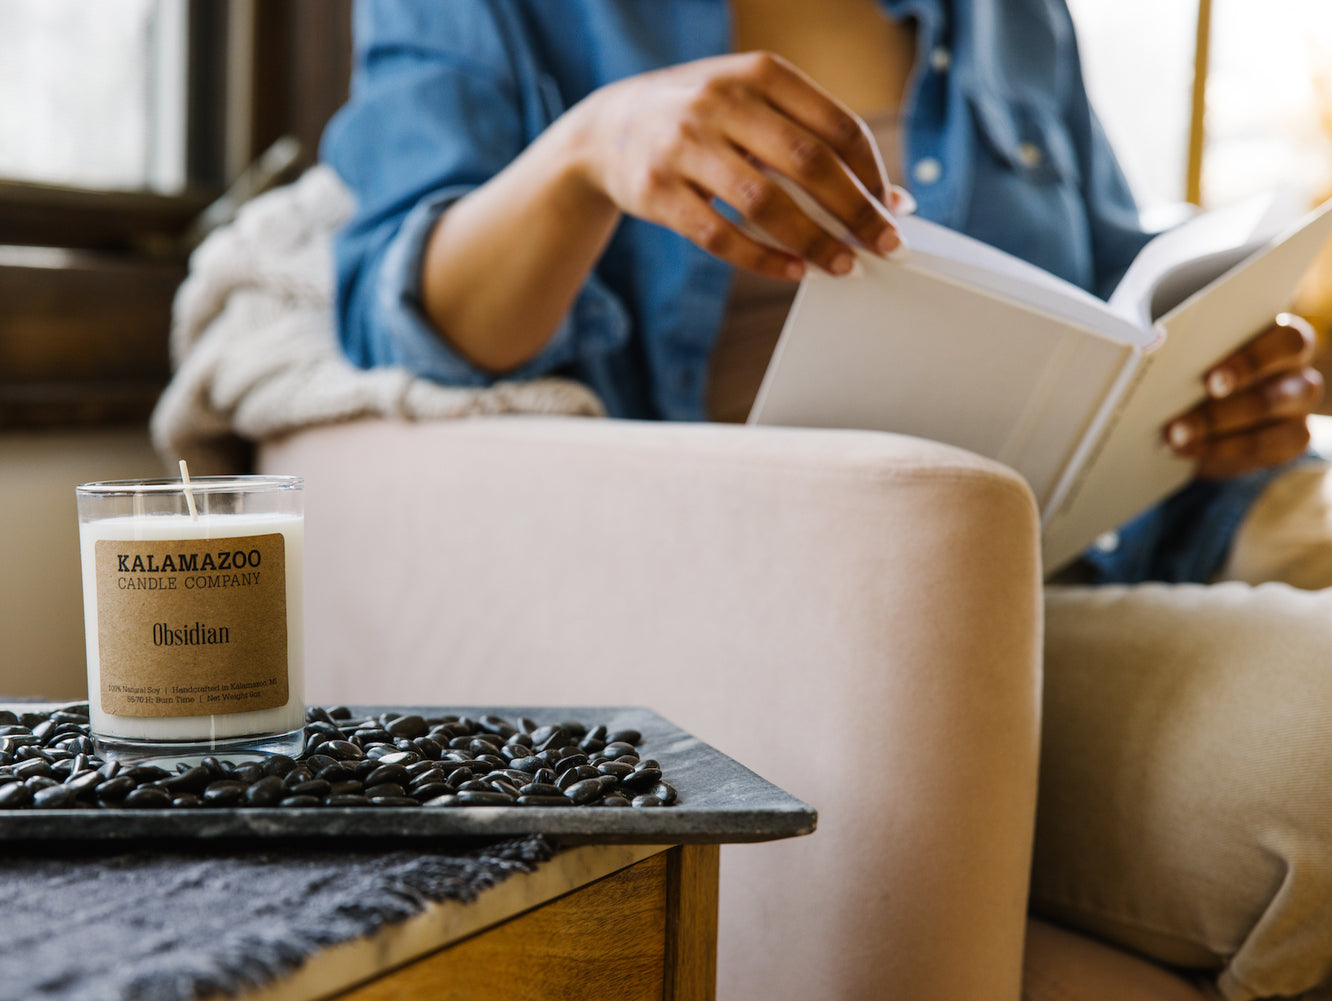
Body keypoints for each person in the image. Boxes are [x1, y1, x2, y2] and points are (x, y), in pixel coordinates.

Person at [323, 1, 1332, 998]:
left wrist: (1216, 391)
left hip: (1040, 577)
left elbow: (1114, 298)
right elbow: (399, 320)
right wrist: (590, 151)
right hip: (744, 621)